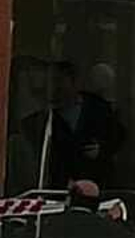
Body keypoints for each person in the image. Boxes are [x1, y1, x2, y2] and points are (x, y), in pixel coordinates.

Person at [22, 60, 127, 191]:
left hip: (98, 184)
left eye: (60, 81)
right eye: (52, 83)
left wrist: (101, 149)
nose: (55, 88)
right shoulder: (44, 117)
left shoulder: (97, 107)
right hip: (59, 190)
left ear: (74, 82)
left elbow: (118, 135)